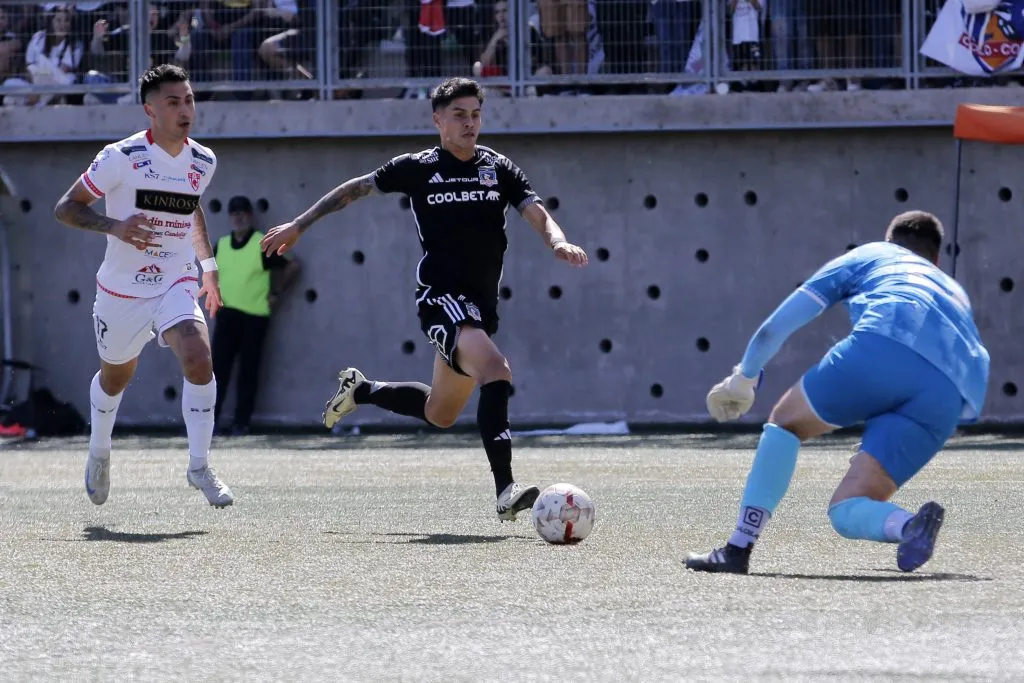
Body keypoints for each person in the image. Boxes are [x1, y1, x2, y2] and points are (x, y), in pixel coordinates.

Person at [259, 77, 589, 522]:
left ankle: (363, 390)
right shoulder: (417, 167)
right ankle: (505, 490)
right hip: (441, 298)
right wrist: (299, 224)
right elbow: (354, 188)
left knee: (440, 413)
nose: (470, 123)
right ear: (438, 119)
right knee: (497, 370)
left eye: (475, 114)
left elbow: (536, 210)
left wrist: (557, 242)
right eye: (459, 115)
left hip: (480, 309)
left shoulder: (498, 168)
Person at [685, 210, 989, 574]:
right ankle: (909, 526)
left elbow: (774, 328)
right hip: (952, 392)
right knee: (848, 507)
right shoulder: (953, 290)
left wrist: (743, 379)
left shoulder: (873, 254)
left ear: (889, 241)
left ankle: (737, 549)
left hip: (885, 346)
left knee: (784, 424)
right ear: (936, 259)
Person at [52, 63, 234, 509]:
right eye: (173, 102)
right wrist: (115, 226)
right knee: (116, 379)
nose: (185, 109)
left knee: (198, 356)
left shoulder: (203, 160)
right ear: (150, 110)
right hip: (121, 291)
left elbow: (190, 209)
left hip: (175, 279)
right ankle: (98, 451)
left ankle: (199, 466)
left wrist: (207, 266)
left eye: (189, 99)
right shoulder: (121, 157)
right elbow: (65, 207)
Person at [212, 195, 301, 436]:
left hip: (255, 317)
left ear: (250, 216)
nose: (238, 217)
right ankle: (210, 423)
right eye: (234, 213)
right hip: (226, 315)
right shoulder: (220, 244)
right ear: (229, 217)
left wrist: (276, 293)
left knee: (248, 373)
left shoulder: (261, 243)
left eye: (243, 212)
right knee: (217, 372)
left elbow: (292, 265)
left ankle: (241, 423)